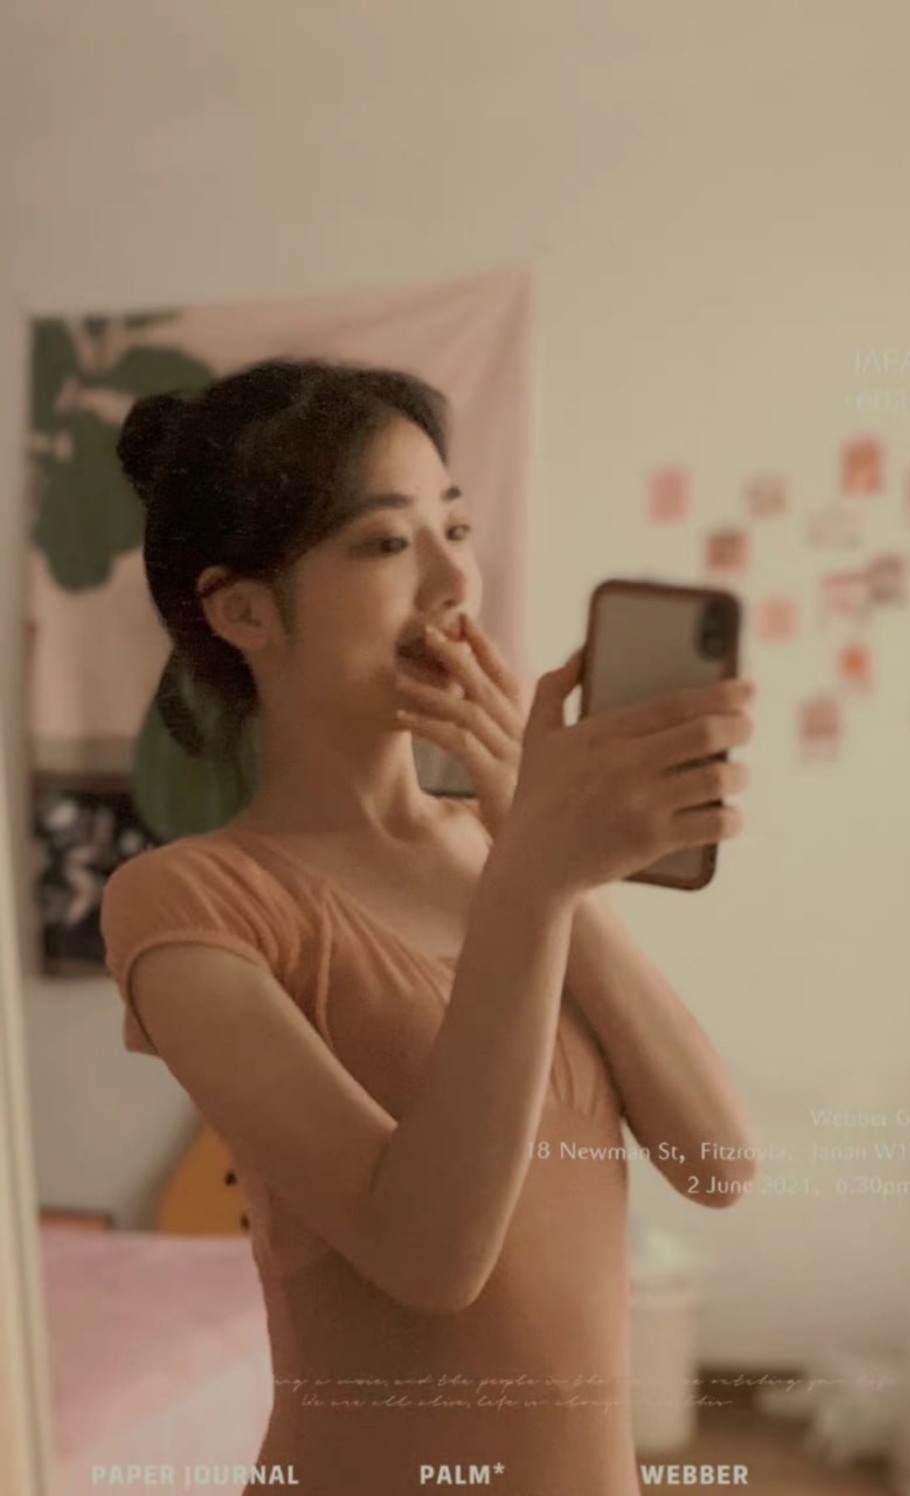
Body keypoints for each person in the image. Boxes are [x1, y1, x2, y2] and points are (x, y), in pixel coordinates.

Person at [100, 358, 756, 1495]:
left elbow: (718, 1162)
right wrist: (533, 880)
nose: (455, 581)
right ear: (243, 609)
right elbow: (429, 1256)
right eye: (387, 542)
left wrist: (533, 843)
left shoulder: (512, 851)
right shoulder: (186, 902)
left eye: (456, 527)